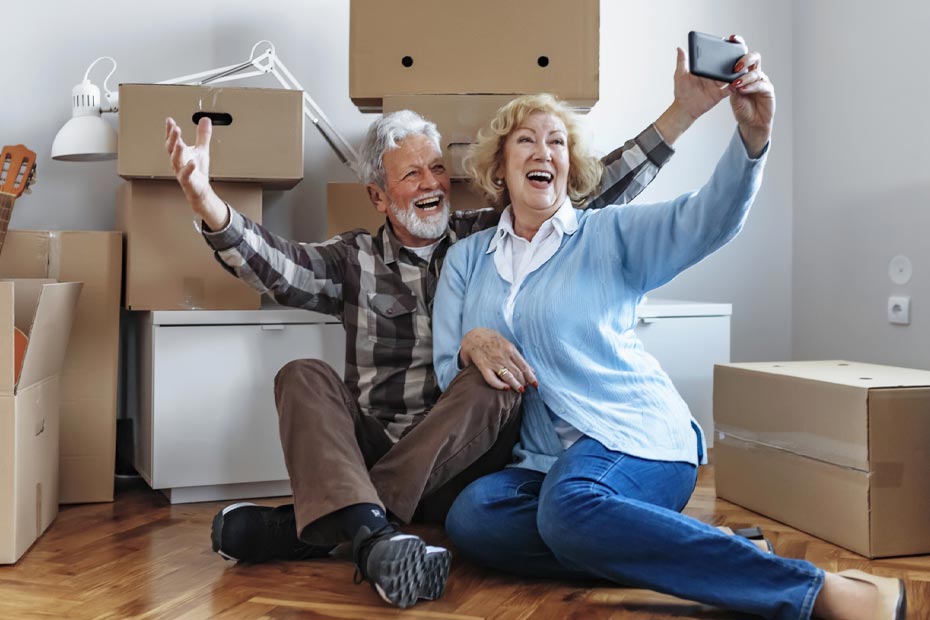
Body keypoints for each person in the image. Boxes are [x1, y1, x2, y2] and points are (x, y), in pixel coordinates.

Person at [162, 49, 724, 608]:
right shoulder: (351, 259)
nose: (432, 182)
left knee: (491, 376)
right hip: (380, 449)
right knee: (302, 374)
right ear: (378, 196)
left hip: (468, 460)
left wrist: (681, 114)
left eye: (437, 167)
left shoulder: (484, 234)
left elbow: (591, 190)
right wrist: (210, 204)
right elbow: (278, 267)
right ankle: (373, 536)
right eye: (411, 173)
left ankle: (336, 525)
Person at [432, 46, 906, 620]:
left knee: (567, 511)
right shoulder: (465, 259)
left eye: (557, 141)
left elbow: (705, 218)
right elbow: (447, 373)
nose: (544, 152)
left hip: (635, 438)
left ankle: (814, 591)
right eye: (527, 140)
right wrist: (468, 343)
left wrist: (752, 139)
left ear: (569, 164)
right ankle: (698, 550)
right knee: (474, 520)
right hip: (539, 461)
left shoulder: (608, 235)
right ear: (501, 165)